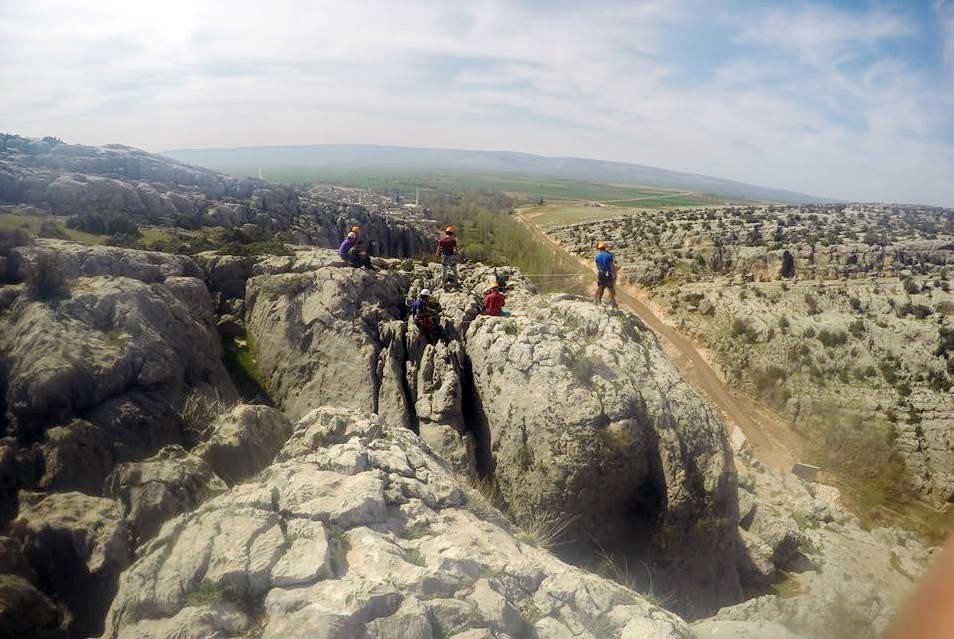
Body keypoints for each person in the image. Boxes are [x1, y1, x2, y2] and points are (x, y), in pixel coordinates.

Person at [594, 241, 618, 308]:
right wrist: (614, 274)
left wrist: (600, 271)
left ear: (599, 249)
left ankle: (597, 300)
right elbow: (612, 266)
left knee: (601, 287)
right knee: (610, 288)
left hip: (601, 273)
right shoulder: (609, 255)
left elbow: (597, 266)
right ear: (604, 247)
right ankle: (613, 303)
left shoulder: (597, 256)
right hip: (608, 273)